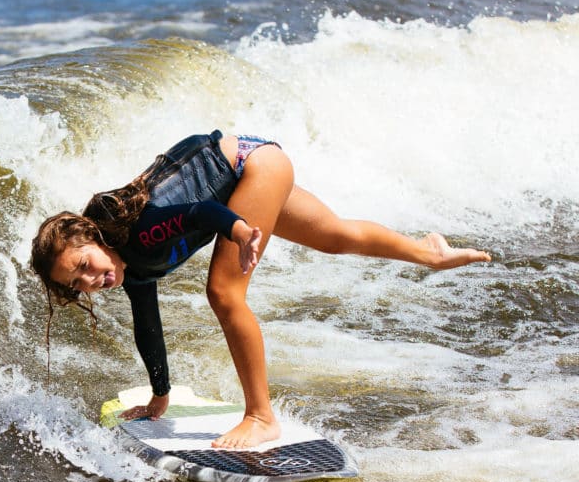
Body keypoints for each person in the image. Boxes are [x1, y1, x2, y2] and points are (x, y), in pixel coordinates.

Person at [30, 131, 490, 449]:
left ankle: (261, 417)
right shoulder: (131, 268)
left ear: (91, 237)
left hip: (249, 170)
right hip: (254, 162)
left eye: (84, 265)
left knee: (224, 292)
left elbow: (199, 214)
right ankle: (430, 253)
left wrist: (238, 231)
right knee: (334, 237)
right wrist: (160, 397)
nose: (90, 280)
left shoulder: (141, 232)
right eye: (77, 283)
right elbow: (147, 327)